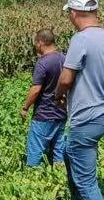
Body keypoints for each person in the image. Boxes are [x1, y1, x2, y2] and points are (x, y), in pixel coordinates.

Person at [55, 0, 104, 200]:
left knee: (86, 178)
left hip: (87, 117)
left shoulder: (80, 39)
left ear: (73, 12)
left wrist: (58, 94)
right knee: (69, 153)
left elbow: (67, 76)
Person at [21, 30, 68, 169]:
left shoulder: (43, 63)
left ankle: (33, 176)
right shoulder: (64, 59)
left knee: (36, 148)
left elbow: (36, 90)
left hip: (44, 113)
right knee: (58, 149)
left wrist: (25, 108)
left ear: (40, 42)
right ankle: (59, 176)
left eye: (36, 43)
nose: (35, 46)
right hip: (61, 112)